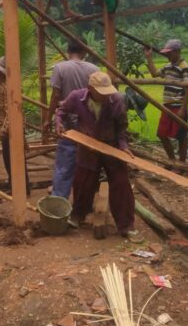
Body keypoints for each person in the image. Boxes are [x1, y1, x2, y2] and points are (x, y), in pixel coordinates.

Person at [57, 71, 140, 242]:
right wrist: (58, 122)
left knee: (121, 183)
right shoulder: (76, 97)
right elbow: (61, 110)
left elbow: (122, 128)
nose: (105, 96)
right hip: (88, 146)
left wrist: (123, 147)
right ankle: (78, 215)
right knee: (83, 182)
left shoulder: (117, 100)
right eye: (101, 92)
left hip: (112, 147)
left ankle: (126, 226)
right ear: (90, 89)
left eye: (107, 92)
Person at [46, 40, 99, 200]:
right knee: (87, 161)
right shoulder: (94, 69)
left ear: (68, 51)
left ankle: (59, 201)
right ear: (84, 52)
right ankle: (84, 200)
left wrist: (48, 118)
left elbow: (56, 96)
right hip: (89, 122)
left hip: (68, 121)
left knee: (65, 162)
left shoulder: (60, 68)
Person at [144, 38, 188, 162]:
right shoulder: (168, 66)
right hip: (167, 106)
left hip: (178, 105)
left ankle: (181, 164)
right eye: (167, 53)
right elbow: (155, 74)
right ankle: (172, 160)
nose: (167, 56)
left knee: (181, 137)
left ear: (177, 52)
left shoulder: (185, 67)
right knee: (161, 134)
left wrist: (183, 108)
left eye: (169, 53)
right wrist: (149, 57)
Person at [0, 57, 30, 195]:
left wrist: (4, 130)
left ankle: (21, 188)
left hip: (12, 127)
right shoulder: (3, 83)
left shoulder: (9, 86)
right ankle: (16, 186)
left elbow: (11, 111)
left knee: (13, 159)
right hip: (10, 125)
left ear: (1, 71)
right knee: (11, 159)